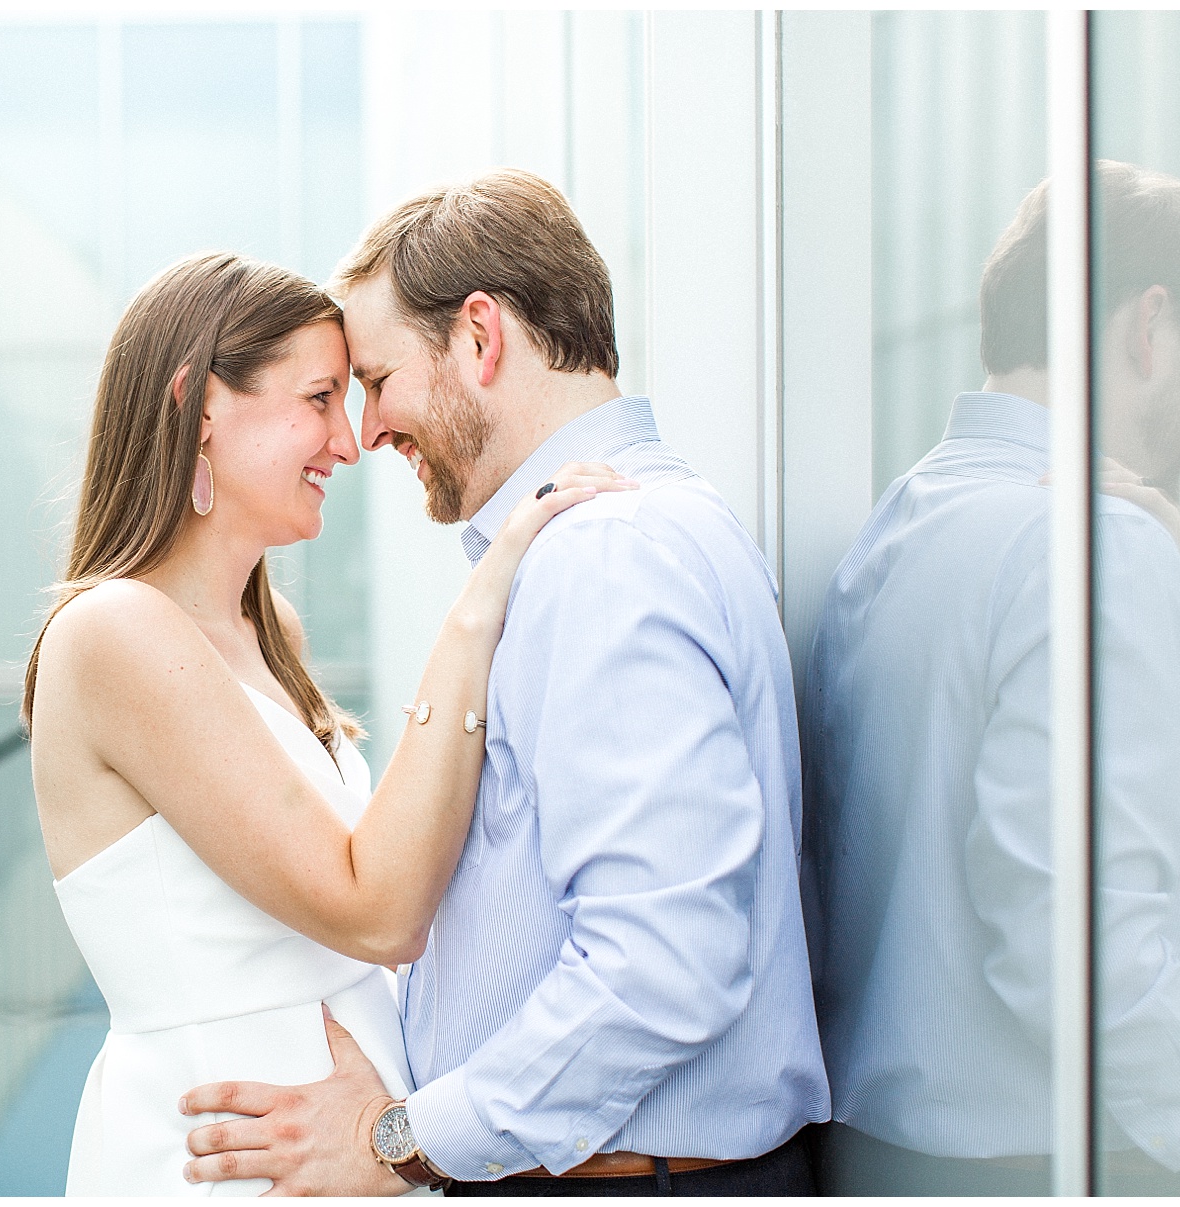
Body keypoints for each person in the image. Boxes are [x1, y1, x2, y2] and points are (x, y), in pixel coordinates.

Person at [180, 169, 829, 1195]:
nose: (371, 430)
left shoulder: (603, 556)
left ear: (481, 338)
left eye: (379, 380)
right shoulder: (610, 539)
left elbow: (663, 959)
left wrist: (398, 1136)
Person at [23, 249, 628, 1196]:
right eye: (320, 398)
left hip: (340, 1158)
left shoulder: (269, 631)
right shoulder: (114, 635)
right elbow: (378, 909)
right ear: (200, 404)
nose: (348, 442)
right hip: (230, 1164)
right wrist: (479, 609)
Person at [801, 161, 1180, 1195]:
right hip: (1074, 1163)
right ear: (1149, 327)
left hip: (888, 1155)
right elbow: (1076, 932)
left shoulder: (895, 529)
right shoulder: (1101, 546)